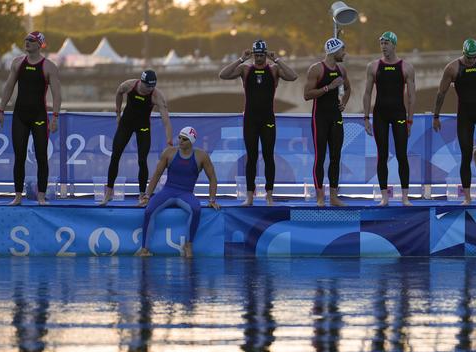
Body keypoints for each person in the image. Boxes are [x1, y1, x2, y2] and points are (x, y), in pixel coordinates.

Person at [219, 40, 298, 206]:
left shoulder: (274, 69)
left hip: (268, 119)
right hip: (251, 119)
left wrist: (277, 60)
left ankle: (269, 195)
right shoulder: (245, 69)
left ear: (266, 54)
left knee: (269, 156)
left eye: (262, 55)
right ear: (253, 55)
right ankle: (250, 196)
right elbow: (223, 75)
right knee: (252, 157)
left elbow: (293, 76)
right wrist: (241, 59)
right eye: (257, 55)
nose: (259, 58)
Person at [0, 31, 61, 206]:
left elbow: (57, 95)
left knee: (41, 156)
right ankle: (17, 195)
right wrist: (1, 110)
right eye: (26, 39)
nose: (27, 42)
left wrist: (55, 116)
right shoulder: (17, 63)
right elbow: (8, 87)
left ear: (40, 44)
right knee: (19, 156)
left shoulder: (49, 67)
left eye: (31, 40)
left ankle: (41, 196)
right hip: (20, 116)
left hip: (39, 116)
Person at [433, 38, 476, 205]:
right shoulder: (452, 69)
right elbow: (441, 93)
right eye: (469, 58)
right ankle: (467, 197)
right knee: (464, 156)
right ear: (463, 54)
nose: (472, 61)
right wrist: (436, 116)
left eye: (474, 57)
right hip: (465, 116)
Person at [138, 126, 220, 258]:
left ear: (191, 141)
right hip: (168, 191)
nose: (180, 141)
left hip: (186, 193)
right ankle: (145, 249)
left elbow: (213, 178)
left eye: (185, 139)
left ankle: (188, 244)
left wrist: (212, 200)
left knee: (196, 209)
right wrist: (147, 196)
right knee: (148, 210)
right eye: (180, 137)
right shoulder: (169, 153)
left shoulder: (201, 156)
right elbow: (156, 175)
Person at [100, 70, 173, 207]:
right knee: (115, 156)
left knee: (142, 160)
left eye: (152, 87)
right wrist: (118, 112)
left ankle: (141, 195)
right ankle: (109, 193)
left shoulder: (157, 95)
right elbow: (119, 92)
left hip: (143, 127)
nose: (150, 89)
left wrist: (169, 139)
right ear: (141, 82)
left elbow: (166, 120)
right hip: (126, 124)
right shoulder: (129, 85)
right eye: (148, 87)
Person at [363, 31, 416, 207]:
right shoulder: (373, 66)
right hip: (380, 115)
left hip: (399, 114)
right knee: (382, 156)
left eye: (386, 43)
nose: (383, 46)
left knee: (402, 155)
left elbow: (411, 97)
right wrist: (365, 118)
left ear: (394, 45)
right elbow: (368, 93)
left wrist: (410, 120)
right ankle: (385, 197)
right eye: (382, 43)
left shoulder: (406, 67)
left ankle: (405, 197)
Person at [304, 37, 350, 207]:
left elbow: (348, 88)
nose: (345, 53)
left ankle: (333, 197)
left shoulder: (341, 69)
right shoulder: (316, 69)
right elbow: (307, 95)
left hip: (336, 117)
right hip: (320, 118)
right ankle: (320, 197)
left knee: (336, 158)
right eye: (343, 50)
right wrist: (328, 87)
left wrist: (343, 102)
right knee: (320, 157)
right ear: (334, 51)